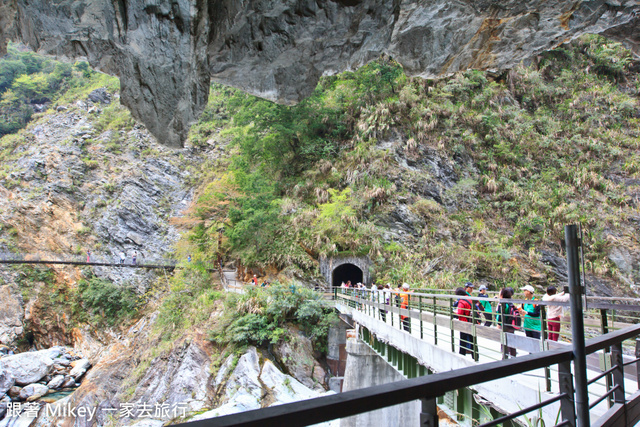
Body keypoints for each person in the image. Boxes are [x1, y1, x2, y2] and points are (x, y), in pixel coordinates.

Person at [497, 287, 518, 358]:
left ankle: (505, 358)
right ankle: (513, 357)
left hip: (505, 325)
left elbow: (500, 315)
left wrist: (499, 324)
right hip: (511, 325)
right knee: (512, 342)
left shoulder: (502, 304)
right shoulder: (510, 303)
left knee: (505, 342)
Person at [455, 287, 474, 356]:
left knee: (463, 339)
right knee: (472, 338)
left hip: (464, 322)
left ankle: (462, 354)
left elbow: (459, 313)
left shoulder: (462, 301)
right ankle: (474, 355)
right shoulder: (469, 298)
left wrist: (455, 313)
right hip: (471, 321)